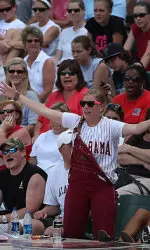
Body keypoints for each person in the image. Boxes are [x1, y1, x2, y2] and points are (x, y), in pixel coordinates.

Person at [1, 85, 150, 239]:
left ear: (101, 107)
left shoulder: (112, 126)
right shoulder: (76, 121)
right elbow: (44, 111)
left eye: (90, 104)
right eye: (83, 103)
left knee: (104, 234)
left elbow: (138, 128)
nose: (85, 107)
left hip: (102, 186)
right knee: (71, 233)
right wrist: (18, 96)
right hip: (77, 185)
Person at [0, 137, 47, 235]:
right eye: (4, 152)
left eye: (12, 150)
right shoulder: (2, 175)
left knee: (13, 225)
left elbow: (30, 210)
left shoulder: (34, 174)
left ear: (23, 152)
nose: (7, 154)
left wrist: (3, 218)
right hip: (9, 219)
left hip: (35, 220)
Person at [34, 59, 88, 138]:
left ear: (78, 76)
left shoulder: (85, 95)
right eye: (63, 73)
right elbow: (40, 121)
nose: (67, 76)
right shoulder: (53, 95)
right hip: (45, 137)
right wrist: (36, 136)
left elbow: (85, 123)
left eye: (71, 73)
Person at [33, 129, 72, 236]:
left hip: (80, 218)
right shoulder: (54, 172)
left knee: (52, 232)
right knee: (33, 225)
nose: (76, 148)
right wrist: (43, 212)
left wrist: (64, 222)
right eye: (71, 145)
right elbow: (54, 206)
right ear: (61, 150)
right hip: (61, 219)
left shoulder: (86, 168)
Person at [117, 108, 150, 195]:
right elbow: (120, 157)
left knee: (116, 195)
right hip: (127, 175)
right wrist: (143, 162)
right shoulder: (137, 136)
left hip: (146, 179)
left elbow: (125, 149)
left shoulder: (130, 146)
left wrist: (129, 149)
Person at [71, 35, 116, 100]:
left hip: (100, 101)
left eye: (79, 51)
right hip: (80, 99)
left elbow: (96, 94)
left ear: (89, 50)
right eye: (73, 51)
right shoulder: (74, 64)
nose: (75, 55)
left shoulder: (100, 66)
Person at [30, 102, 70, 173]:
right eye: (52, 118)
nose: (56, 122)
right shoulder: (41, 137)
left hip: (60, 177)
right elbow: (32, 162)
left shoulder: (72, 137)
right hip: (40, 177)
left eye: (58, 118)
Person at [5, 57, 40, 135]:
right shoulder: (2, 95)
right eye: (11, 71)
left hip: (21, 138)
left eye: (19, 72)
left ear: (25, 75)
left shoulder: (31, 96)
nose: (15, 74)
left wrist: (13, 135)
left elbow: (33, 125)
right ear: (7, 74)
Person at [22, 26, 55, 103]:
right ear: (24, 43)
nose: (33, 43)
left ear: (40, 43)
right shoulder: (22, 62)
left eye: (36, 40)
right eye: (29, 41)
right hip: (25, 102)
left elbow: (48, 91)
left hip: (43, 103)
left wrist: (31, 104)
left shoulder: (47, 62)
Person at [0, 100, 32, 170]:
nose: (5, 114)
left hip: (17, 172)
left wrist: (2, 131)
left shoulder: (22, 131)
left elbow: (5, 152)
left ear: (17, 115)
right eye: (2, 112)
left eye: (9, 111)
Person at [124, 1, 150, 71]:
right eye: (135, 16)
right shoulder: (135, 27)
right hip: (144, 69)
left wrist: (136, 71)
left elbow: (148, 54)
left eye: (141, 15)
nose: (138, 18)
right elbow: (125, 50)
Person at [0, 0, 26, 65]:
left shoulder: (20, 25)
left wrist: (6, 42)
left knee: (13, 32)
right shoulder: (0, 23)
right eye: (1, 10)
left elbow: (24, 45)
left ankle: (5, 67)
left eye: (7, 9)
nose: (4, 12)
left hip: (10, 56)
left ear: (14, 7)